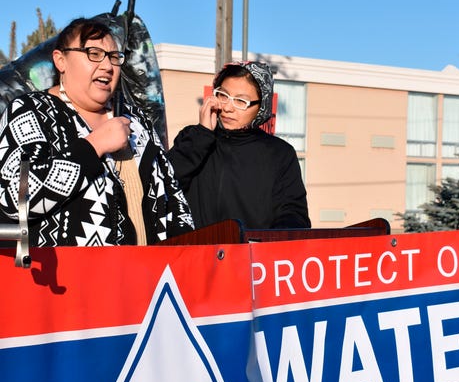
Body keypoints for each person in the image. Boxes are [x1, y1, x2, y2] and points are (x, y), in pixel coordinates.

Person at [0, 17, 194, 246]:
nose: (107, 66)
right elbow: (15, 199)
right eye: (93, 53)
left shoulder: (138, 121)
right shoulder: (30, 111)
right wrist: (94, 146)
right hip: (65, 278)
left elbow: (175, 203)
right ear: (61, 61)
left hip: (148, 276)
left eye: (114, 57)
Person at [167, 60, 311, 230]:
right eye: (223, 95)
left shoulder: (279, 153)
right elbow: (163, 186)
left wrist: (264, 245)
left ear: (261, 107)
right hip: (194, 252)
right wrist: (202, 134)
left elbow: (294, 215)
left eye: (241, 101)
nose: (228, 107)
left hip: (250, 254)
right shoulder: (193, 139)